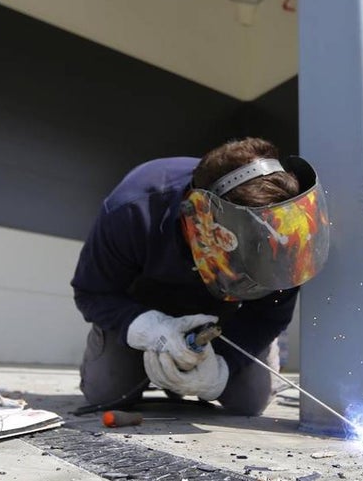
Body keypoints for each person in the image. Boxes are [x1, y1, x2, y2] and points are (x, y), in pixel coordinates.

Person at [71, 137, 330, 416]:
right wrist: (148, 328)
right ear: (198, 217)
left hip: (224, 315)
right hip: (141, 306)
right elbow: (92, 292)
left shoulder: (284, 234)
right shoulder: (133, 207)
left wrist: (222, 368)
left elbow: (269, 317)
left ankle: (196, 374)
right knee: (106, 391)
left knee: (249, 401)